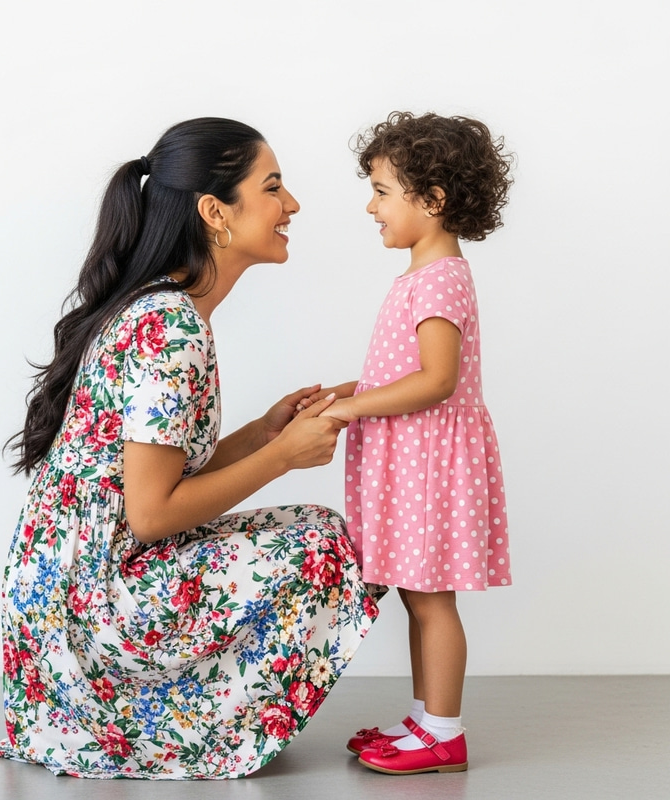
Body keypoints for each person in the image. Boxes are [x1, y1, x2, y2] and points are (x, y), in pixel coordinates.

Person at [0, 117, 382, 780]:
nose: (291, 205)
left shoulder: (164, 312)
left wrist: (265, 431)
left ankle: (182, 723)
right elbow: (151, 515)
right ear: (214, 212)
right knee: (322, 544)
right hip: (92, 609)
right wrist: (282, 455)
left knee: (316, 533)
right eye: (273, 187)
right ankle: (197, 735)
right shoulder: (170, 328)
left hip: (67, 598)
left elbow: (155, 479)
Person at [298, 111, 514, 775]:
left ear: (434, 199)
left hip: (431, 464)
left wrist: (352, 409)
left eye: (383, 190)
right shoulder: (423, 276)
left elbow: (437, 380)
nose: (371, 205)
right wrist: (346, 392)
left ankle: (444, 732)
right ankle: (426, 722)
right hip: (417, 459)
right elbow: (406, 372)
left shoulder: (442, 278)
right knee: (421, 597)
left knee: (431, 599)